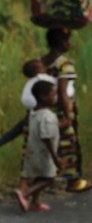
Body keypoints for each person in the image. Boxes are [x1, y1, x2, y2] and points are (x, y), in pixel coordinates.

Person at [40, 28, 91, 193]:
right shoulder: (65, 64)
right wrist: (68, 114)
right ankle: (72, 181)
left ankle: (41, 180)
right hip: (61, 110)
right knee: (68, 144)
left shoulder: (40, 62)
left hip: (42, 109)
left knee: (44, 143)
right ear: (63, 43)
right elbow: (63, 92)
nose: (70, 43)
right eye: (68, 40)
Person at [15, 80, 62, 212]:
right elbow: (47, 138)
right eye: (53, 95)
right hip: (44, 153)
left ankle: (35, 202)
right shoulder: (48, 116)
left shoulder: (33, 113)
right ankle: (25, 194)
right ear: (43, 96)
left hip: (32, 151)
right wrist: (55, 157)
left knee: (40, 177)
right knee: (49, 178)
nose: (56, 97)